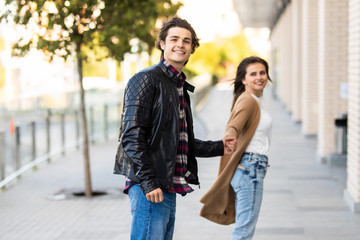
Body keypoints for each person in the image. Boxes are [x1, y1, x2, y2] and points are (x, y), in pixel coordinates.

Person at [113, 16, 236, 240]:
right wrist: (149, 183)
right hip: (149, 185)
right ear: (162, 44)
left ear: (192, 49)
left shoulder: (178, 85)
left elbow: (179, 141)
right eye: (174, 39)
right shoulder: (145, 80)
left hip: (168, 183)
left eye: (187, 41)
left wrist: (221, 147)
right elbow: (131, 137)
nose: (181, 44)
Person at [199, 56, 273, 240]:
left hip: (250, 169)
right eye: (253, 73)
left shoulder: (253, 100)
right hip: (250, 170)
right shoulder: (248, 100)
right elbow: (233, 126)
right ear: (243, 79)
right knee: (244, 230)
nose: (259, 77)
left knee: (244, 227)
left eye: (262, 72)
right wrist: (230, 136)